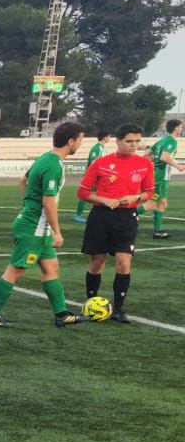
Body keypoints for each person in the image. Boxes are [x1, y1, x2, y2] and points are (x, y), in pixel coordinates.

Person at [0, 120, 86, 328]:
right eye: (80, 140)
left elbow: (23, 181)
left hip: (38, 227)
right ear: (71, 141)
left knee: (51, 268)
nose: (81, 144)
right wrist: (57, 231)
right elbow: (48, 202)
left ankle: (61, 314)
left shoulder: (45, 158)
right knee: (15, 270)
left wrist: (29, 205)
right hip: (34, 228)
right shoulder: (53, 165)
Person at [77, 123, 154, 325]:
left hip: (127, 217)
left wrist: (135, 197)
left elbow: (149, 192)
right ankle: (91, 304)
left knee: (123, 262)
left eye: (137, 141)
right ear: (118, 141)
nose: (134, 145)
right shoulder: (101, 163)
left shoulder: (145, 164)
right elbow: (83, 192)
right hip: (101, 216)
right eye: (129, 141)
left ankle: (118, 309)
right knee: (97, 262)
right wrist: (103, 200)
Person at [146, 119, 180, 240]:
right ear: (175, 128)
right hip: (161, 178)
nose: (181, 129)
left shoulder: (161, 141)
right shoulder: (172, 141)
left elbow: (147, 154)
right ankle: (128, 216)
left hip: (158, 175)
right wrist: (178, 166)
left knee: (161, 203)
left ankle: (158, 231)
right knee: (153, 203)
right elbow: (164, 157)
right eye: (180, 127)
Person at [73, 132, 111, 224]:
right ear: (104, 137)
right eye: (109, 136)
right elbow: (93, 163)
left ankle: (101, 214)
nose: (110, 138)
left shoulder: (103, 148)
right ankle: (78, 215)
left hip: (100, 176)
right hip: (94, 176)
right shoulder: (97, 148)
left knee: (102, 194)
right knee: (86, 194)